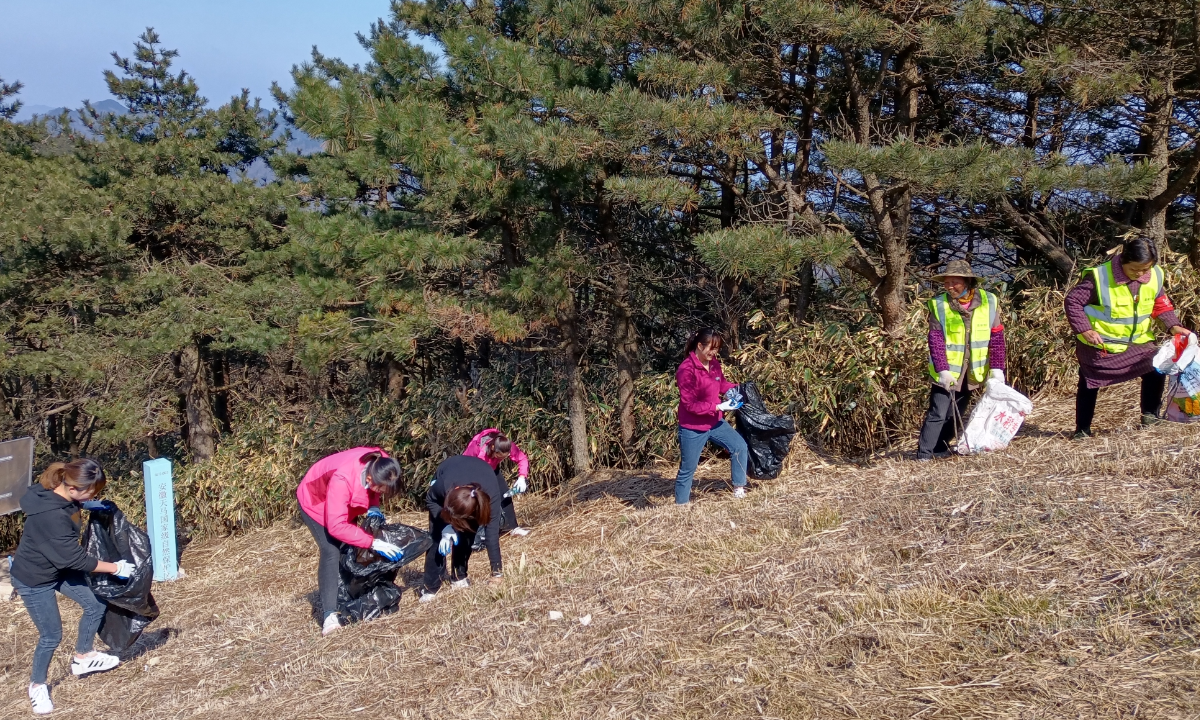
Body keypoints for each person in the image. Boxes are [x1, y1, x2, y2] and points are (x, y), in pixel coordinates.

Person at [10, 459, 134, 715]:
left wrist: (90, 505)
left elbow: (66, 547)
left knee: (94, 603)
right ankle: (37, 685)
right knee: (51, 635)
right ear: (73, 488)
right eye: (92, 492)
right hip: (35, 578)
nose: (95, 495)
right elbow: (74, 559)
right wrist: (115, 568)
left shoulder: (56, 491)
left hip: (57, 567)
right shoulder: (51, 516)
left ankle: (83, 657)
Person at [1065, 235, 1193, 438]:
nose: (1140, 274)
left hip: (1138, 341)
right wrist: (1084, 329)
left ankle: (1150, 416)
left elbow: (1160, 305)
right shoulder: (1099, 277)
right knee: (1090, 382)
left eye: (1145, 269)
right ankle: (1082, 430)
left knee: (1155, 368)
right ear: (1123, 260)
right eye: (1134, 269)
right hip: (1102, 344)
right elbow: (1073, 301)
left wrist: (1174, 327)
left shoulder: (1155, 275)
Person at [296, 448, 404, 635]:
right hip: (315, 502)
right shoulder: (343, 480)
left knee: (350, 546)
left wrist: (374, 506)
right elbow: (336, 525)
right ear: (370, 480)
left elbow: (375, 491)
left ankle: (347, 592)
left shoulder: (383, 464)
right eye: (379, 490)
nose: (380, 494)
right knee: (331, 550)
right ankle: (329, 615)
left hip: (342, 503)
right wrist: (372, 543)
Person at [917, 260, 1007, 460]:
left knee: (956, 411)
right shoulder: (939, 304)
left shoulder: (989, 301)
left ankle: (940, 448)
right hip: (948, 370)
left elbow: (997, 336)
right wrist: (942, 369)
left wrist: (997, 367)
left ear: (967, 282)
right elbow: (936, 340)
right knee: (938, 412)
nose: (950, 287)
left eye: (954, 282)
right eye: (946, 283)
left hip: (972, 369)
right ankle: (923, 455)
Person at [674, 327, 749, 504]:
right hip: (692, 427)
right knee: (688, 469)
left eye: (717, 348)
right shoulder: (686, 370)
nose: (714, 352)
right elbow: (690, 404)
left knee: (739, 446)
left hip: (715, 422)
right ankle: (680, 506)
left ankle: (739, 489)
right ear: (700, 346)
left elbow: (721, 383)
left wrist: (734, 390)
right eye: (711, 348)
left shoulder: (714, 363)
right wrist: (718, 406)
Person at [419, 454, 504, 602]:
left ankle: (459, 576)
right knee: (436, 539)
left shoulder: (490, 498)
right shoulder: (444, 484)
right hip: (451, 470)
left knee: (466, 537)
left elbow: (491, 535)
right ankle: (430, 587)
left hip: (478, 488)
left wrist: (497, 573)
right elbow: (430, 500)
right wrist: (445, 526)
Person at [463, 428, 531, 541]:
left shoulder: (505, 444)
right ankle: (474, 532)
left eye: (505, 456)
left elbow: (522, 458)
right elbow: (464, 463)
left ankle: (513, 528)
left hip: (493, 469)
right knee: (480, 500)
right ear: (493, 448)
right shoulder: (478, 447)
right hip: (473, 470)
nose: (503, 459)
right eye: (500, 457)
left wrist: (522, 477)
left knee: (504, 494)